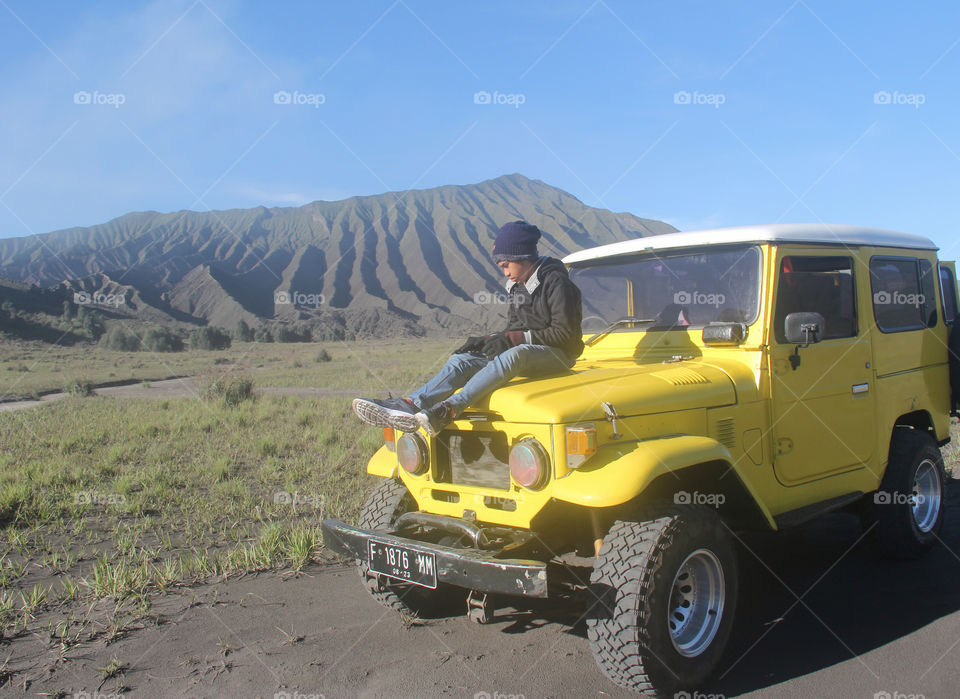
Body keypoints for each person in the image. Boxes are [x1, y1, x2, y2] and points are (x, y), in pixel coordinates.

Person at [352, 220, 583, 436]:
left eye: (506, 265)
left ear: (523, 256)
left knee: (516, 353)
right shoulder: (516, 286)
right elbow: (516, 328)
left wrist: (512, 340)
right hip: (527, 353)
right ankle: (411, 404)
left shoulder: (556, 283)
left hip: (561, 356)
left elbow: (565, 335)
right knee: (461, 361)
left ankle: (449, 410)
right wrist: (489, 339)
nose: (505, 272)